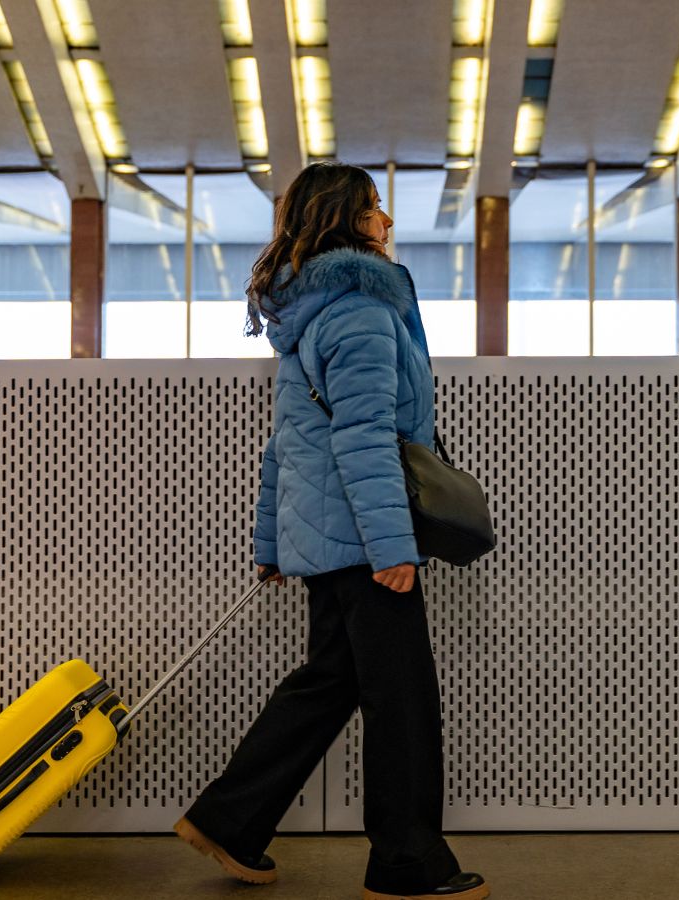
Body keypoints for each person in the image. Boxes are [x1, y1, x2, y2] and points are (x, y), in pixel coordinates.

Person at [171, 161, 488, 900]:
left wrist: (274, 545)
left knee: (330, 682)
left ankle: (231, 818)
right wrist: (391, 550)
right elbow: (365, 436)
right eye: (376, 209)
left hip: (328, 536)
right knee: (402, 697)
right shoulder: (360, 310)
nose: (387, 223)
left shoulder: (305, 313)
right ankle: (406, 863)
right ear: (348, 218)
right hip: (362, 537)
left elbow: (286, 444)